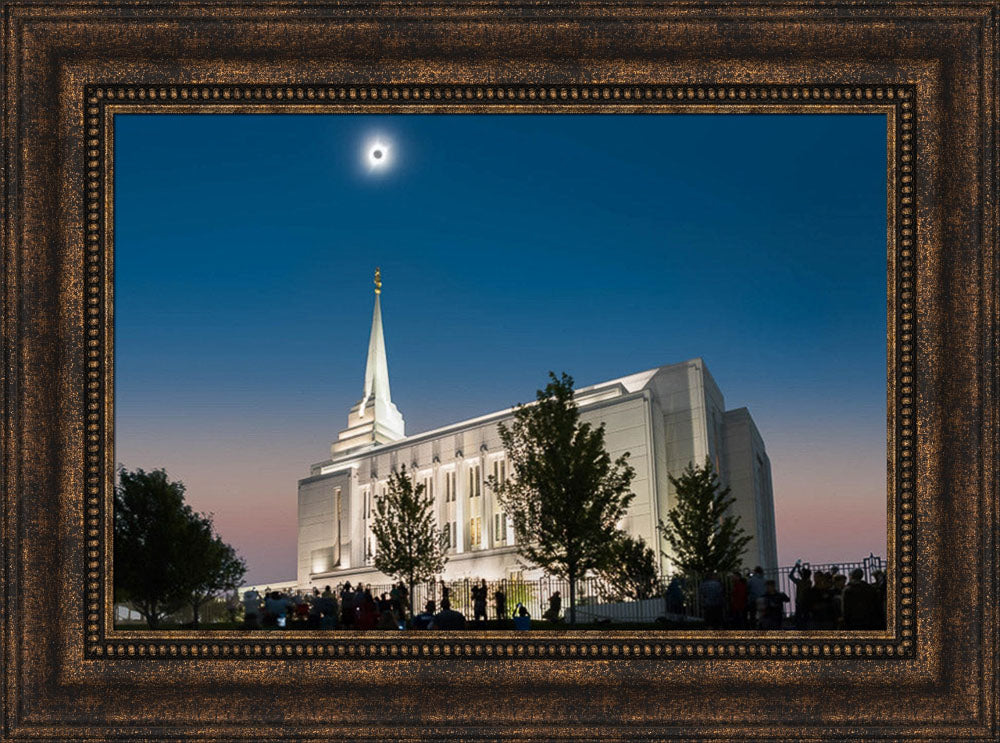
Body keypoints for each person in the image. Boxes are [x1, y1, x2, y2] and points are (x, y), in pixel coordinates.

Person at [789, 562, 813, 630]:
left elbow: (790, 576)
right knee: (806, 621)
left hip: (799, 604)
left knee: (799, 622)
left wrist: (796, 567)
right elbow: (804, 576)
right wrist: (799, 570)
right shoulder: (809, 582)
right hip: (807, 604)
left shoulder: (799, 582)